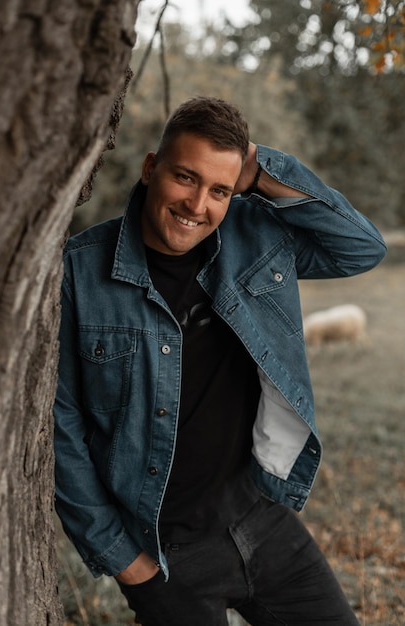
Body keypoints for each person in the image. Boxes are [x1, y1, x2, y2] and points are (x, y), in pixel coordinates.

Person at [54, 96, 386, 626]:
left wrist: (262, 171)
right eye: (185, 177)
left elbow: (361, 248)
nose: (197, 205)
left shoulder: (253, 237)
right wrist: (127, 563)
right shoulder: (79, 273)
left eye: (219, 190)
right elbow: (57, 431)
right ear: (149, 167)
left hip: (261, 517)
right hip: (166, 557)